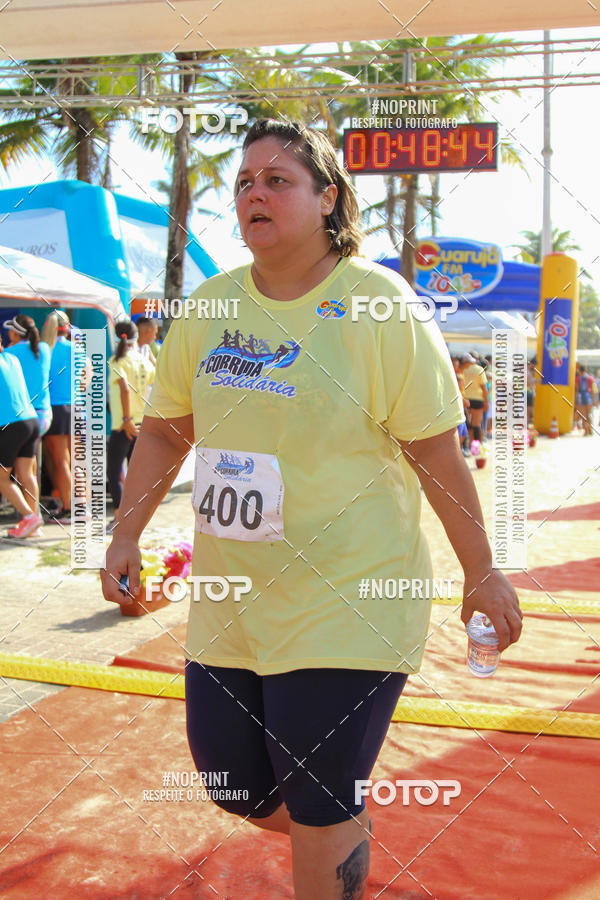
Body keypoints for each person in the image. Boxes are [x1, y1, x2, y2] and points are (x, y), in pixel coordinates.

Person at [101, 119, 522, 900]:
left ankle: (333, 841)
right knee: (234, 783)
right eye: (244, 183)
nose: (254, 192)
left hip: (351, 598)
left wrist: (482, 570)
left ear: (328, 198)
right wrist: (126, 530)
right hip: (236, 604)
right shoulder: (212, 305)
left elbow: (437, 454)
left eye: (278, 180)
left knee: (320, 792)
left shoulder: (380, 307)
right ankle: (338, 836)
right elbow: (163, 433)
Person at [106, 320, 155, 520]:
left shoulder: (117, 360)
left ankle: (120, 514)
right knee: (135, 473)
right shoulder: (143, 360)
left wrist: (126, 418)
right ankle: (134, 515)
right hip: (140, 421)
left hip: (123, 424)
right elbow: (156, 383)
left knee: (114, 471)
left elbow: (125, 388)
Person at [0, 333, 44, 537]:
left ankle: (29, 517)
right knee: (27, 474)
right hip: (31, 420)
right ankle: (34, 523)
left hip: (11, 424)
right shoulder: (12, 358)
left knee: (1, 478)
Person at [43, 311, 73, 523]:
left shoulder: (48, 350)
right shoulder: (77, 349)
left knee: (61, 461)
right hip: (78, 406)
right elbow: (86, 378)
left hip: (57, 407)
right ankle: (81, 507)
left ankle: (70, 508)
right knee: (76, 461)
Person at [3, 314, 52, 442]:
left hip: (21, 416)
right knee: (30, 456)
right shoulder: (45, 349)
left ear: (14, 333)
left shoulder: (8, 354)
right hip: (44, 415)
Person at [459, 352, 489, 447]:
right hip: (477, 399)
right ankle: (476, 446)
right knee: (476, 423)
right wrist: (486, 401)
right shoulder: (479, 369)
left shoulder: (464, 369)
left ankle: (467, 445)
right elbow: (484, 388)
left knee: (467, 423)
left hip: (466, 398)